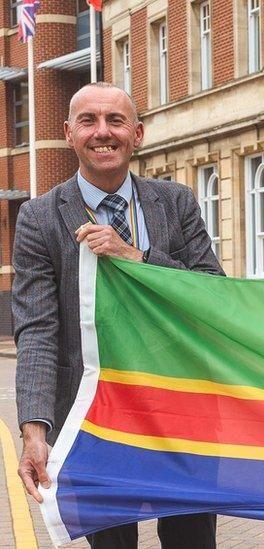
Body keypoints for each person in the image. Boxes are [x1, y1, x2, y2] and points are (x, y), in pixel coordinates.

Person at [13, 82, 223, 548]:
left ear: (138, 133)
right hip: (93, 420)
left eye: (116, 121)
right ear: (69, 133)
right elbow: (37, 331)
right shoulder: (39, 218)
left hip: (179, 410)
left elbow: (213, 295)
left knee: (192, 541)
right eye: (88, 121)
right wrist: (34, 430)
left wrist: (137, 257)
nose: (102, 132)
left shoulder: (177, 202)